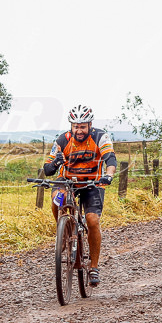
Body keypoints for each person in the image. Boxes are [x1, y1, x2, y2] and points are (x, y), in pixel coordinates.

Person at [43, 104, 116, 285]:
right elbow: (47, 169)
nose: (79, 130)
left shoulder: (100, 137)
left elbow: (110, 159)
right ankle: (63, 231)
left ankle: (94, 267)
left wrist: (109, 175)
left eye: (83, 126)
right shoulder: (63, 140)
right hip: (67, 181)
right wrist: (56, 163)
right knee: (57, 200)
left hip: (93, 183)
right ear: (71, 126)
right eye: (75, 126)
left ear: (90, 125)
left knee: (92, 220)